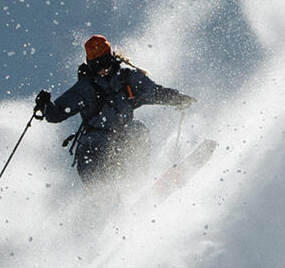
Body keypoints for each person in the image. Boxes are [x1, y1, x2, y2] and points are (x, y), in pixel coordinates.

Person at [33, 34, 195, 181]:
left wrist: (177, 98)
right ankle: (102, 202)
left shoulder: (127, 78)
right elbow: (56, 114)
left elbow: (154, 92)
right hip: (94, 149)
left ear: (112, 57)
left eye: (105, 62)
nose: (103, 69)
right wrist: (45, 105)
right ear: (90, 66)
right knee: (99, 173)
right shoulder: (86, 88)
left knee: (137, 131)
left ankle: (136, 184)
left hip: (122, 142)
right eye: (97, 66)